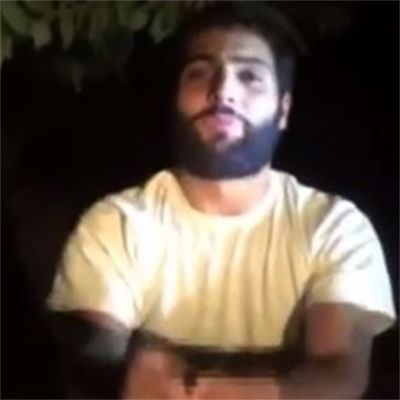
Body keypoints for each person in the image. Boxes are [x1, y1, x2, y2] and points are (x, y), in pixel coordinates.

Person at [46, 3, 396, 399]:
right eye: (199, 72)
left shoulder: (334, 226)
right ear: (176, 97)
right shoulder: (118, 223)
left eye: (249, 76)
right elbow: (97, 362)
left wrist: (192, 385)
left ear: (283, 110)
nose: (223, 90)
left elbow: (339, 377)